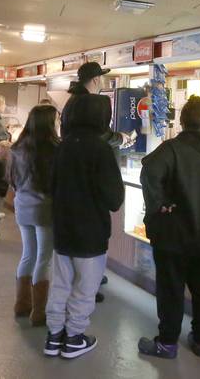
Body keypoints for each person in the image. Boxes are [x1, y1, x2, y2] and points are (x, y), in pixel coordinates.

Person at [138, 96, 200, 360]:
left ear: (181, 121)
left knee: (171, 290)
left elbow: (149, 172)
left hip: (174, 234)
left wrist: (160, 204)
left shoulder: (172, 149)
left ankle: (167, 342)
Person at [44, 95, 124, 359]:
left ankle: (54, 336)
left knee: (60, 284)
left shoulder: (62, 146)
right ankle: (74, 337)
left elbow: (49, 187)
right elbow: (114, 199)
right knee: (84, 288)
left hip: (63, 228)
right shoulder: (101, 149)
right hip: (91, 231)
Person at [61, 61, 128, 302]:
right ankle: (88, 285)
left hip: (72, 182)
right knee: (89, 238)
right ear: (96, 80)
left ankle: (87, 282)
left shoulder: (72, 102)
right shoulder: (89, 105)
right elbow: (100, 136)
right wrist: (121, 138)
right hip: (89, 180)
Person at [9, 105, 59, 326]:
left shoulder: (17, 148)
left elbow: (11, 179)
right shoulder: (54, 149)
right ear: (50, 123)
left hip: (22, 205)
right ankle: (39, 311)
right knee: (44, 258)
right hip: (44, 208)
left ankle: (21, 304)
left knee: (28, 254)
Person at [61, 61, 129, 147]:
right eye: (102, 78)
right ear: (96, 80)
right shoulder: (90, 102)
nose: (102, 84)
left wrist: (119, 140)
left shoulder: (72, 100)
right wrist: (120, 139)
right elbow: (98, 135)